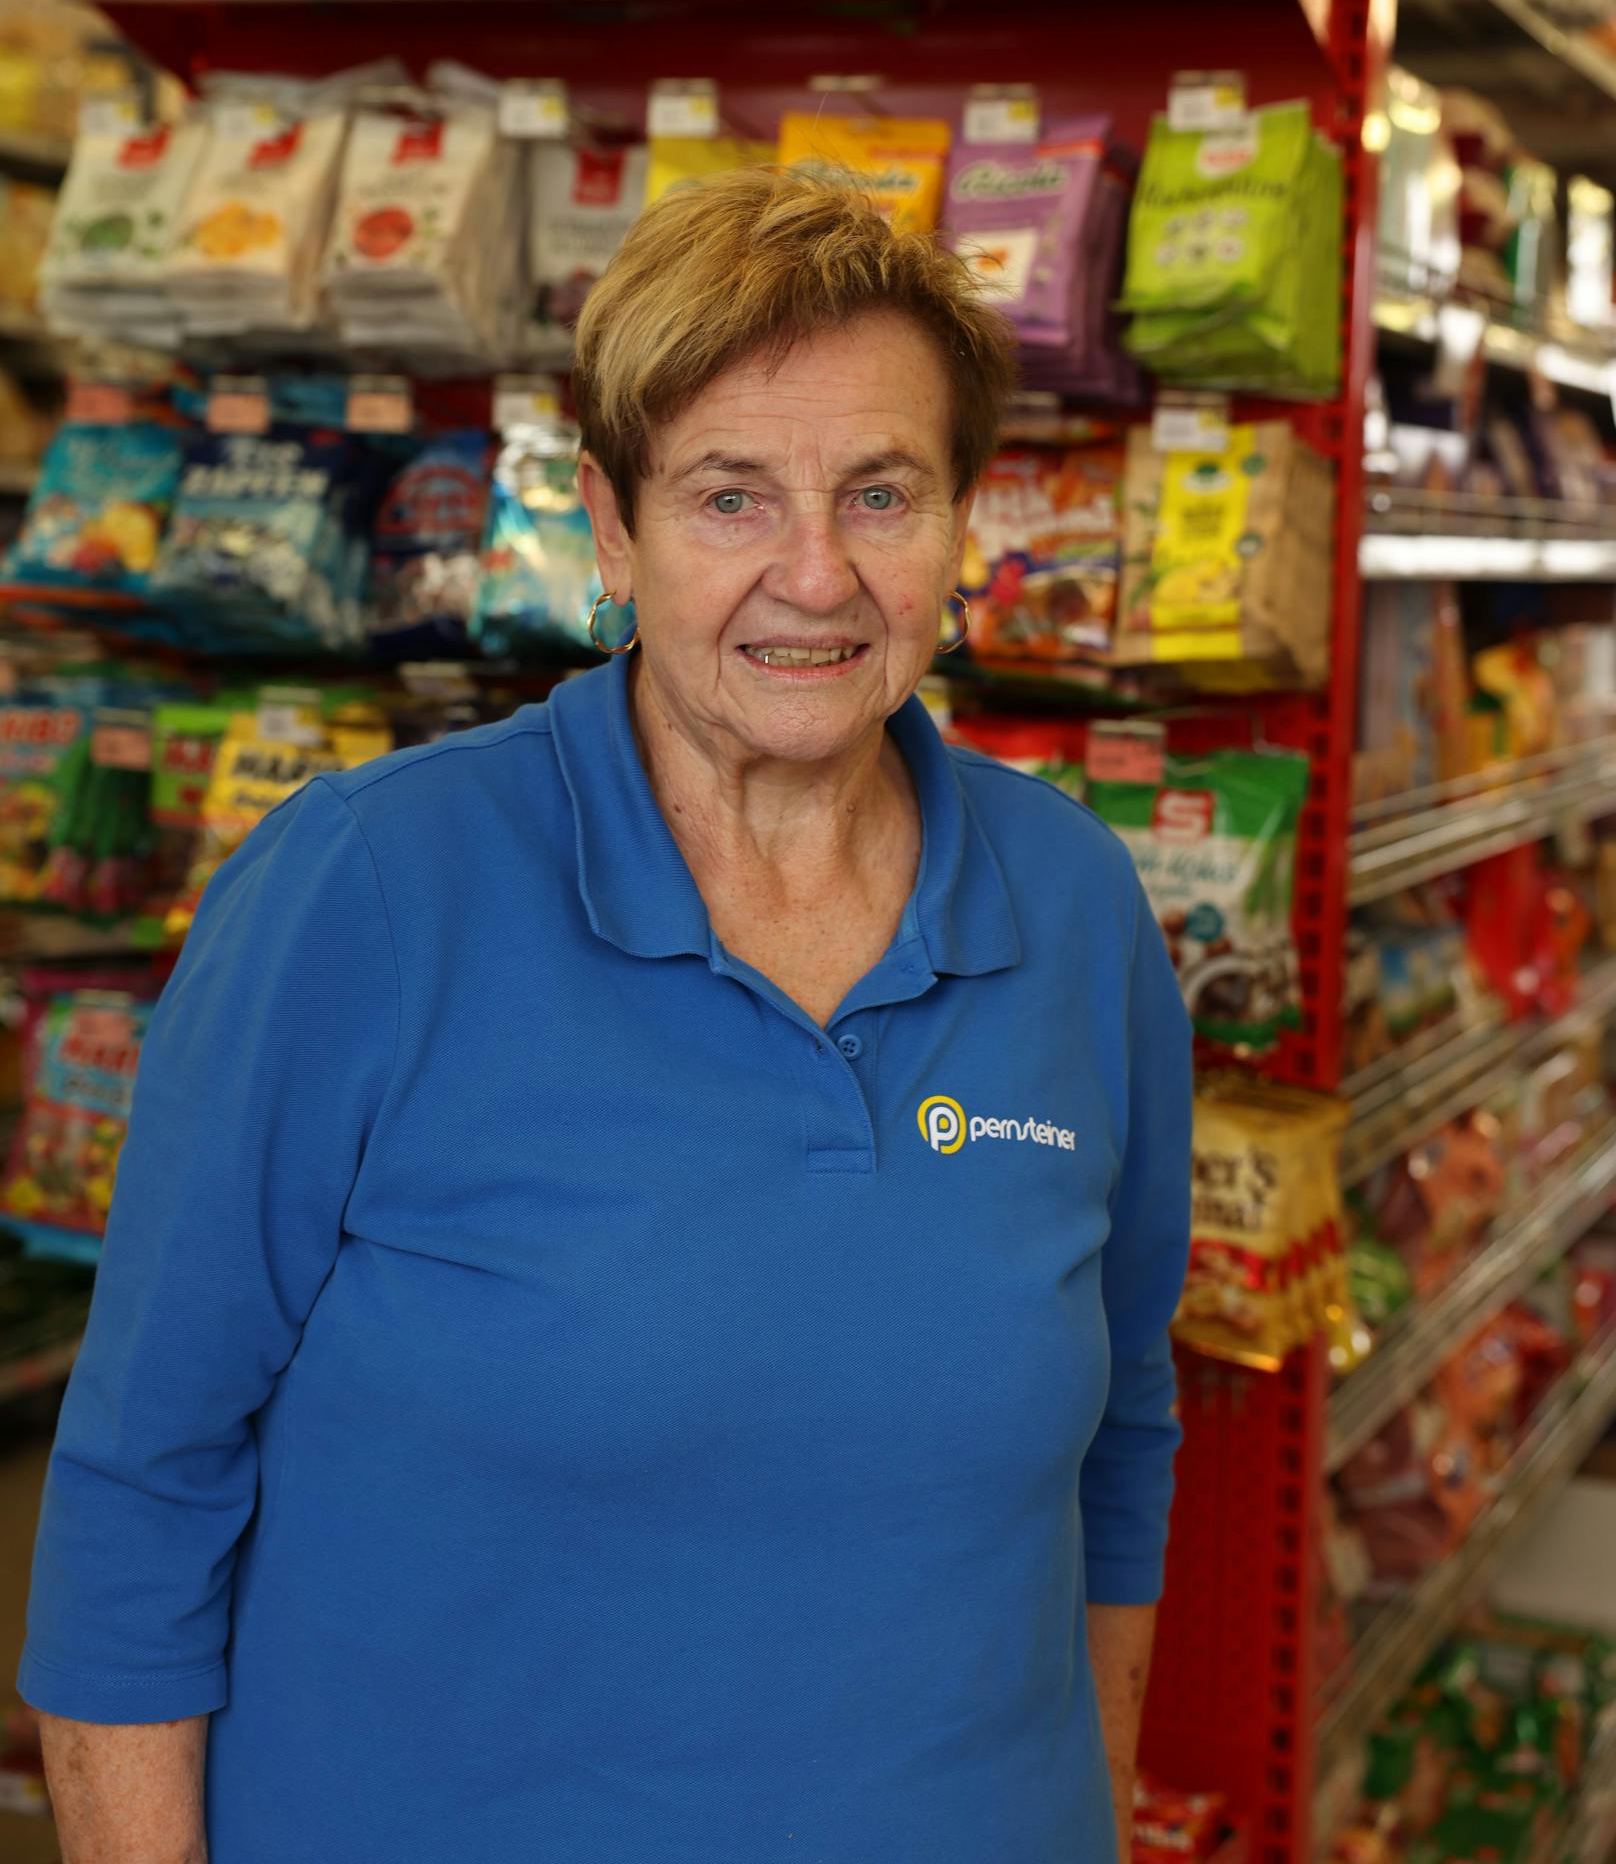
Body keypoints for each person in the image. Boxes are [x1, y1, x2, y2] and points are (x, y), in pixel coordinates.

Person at [22, 166, 1191, 1864]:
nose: (815, 574)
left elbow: (1125, 1436)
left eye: (881, 492)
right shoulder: (365, 893)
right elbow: (145, 1480)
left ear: (960, 521)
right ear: (612, 525)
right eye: (729, 498)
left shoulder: (1075, 906)